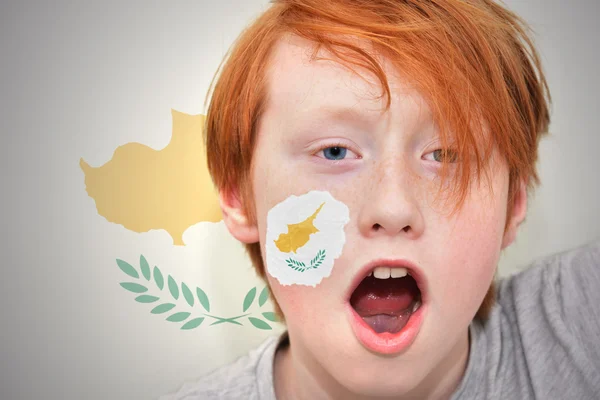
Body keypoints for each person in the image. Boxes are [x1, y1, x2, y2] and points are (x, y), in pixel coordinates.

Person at [162, 0, 600, 398]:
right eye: (334, 151)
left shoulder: (578, 323)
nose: (393, 208)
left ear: (513, 203)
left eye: (445, 154)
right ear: (241, 198)